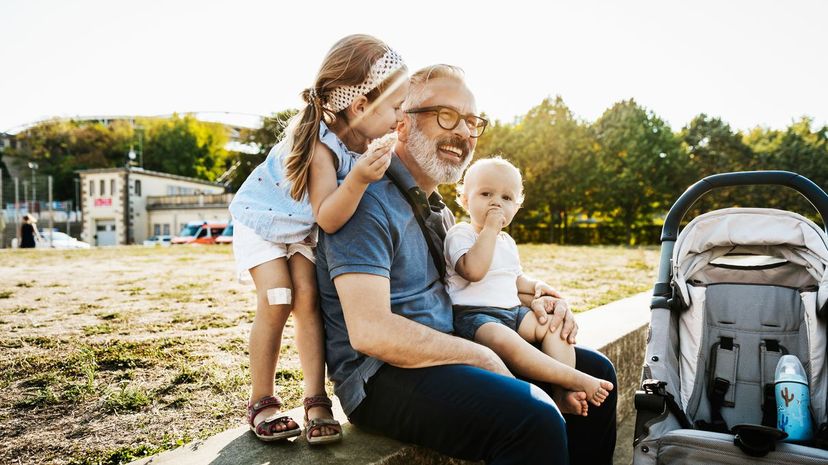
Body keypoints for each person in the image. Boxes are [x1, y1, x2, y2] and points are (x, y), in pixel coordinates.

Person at [316, 64, 617, 464]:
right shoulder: (365, 201)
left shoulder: (439, 212)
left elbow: (473, 284)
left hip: (449, 347)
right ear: (401, 122)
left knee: (597, 370)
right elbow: (370, 332)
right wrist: (481, 356)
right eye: (447, 116)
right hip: (383, 376)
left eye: (472, 122)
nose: (464, 133)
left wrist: (538, 301)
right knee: (535, 418)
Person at [228, 34, 408, 444]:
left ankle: (315, 398)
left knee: (308, 299)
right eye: (396, 108)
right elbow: (328, 216)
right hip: (264, 220)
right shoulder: (320, 145)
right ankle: (263, 400)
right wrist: (360, 178)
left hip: (299, 228)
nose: (401, 117)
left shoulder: (361, 139)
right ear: (360, 106)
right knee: (278, 298)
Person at [446, 157, 613, 417]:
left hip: (513, 312)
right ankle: (574, 378)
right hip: (474, 316)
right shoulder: (462, 233)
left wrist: (537, 286)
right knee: (505, 340)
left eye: (506, 198)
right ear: (465, 200)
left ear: (517, 206)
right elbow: (473, 271)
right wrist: (489, 229)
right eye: (486, 194)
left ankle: (561, 392)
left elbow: (515, 279)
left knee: (552, 327)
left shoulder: (507, 241)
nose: (496, 203)